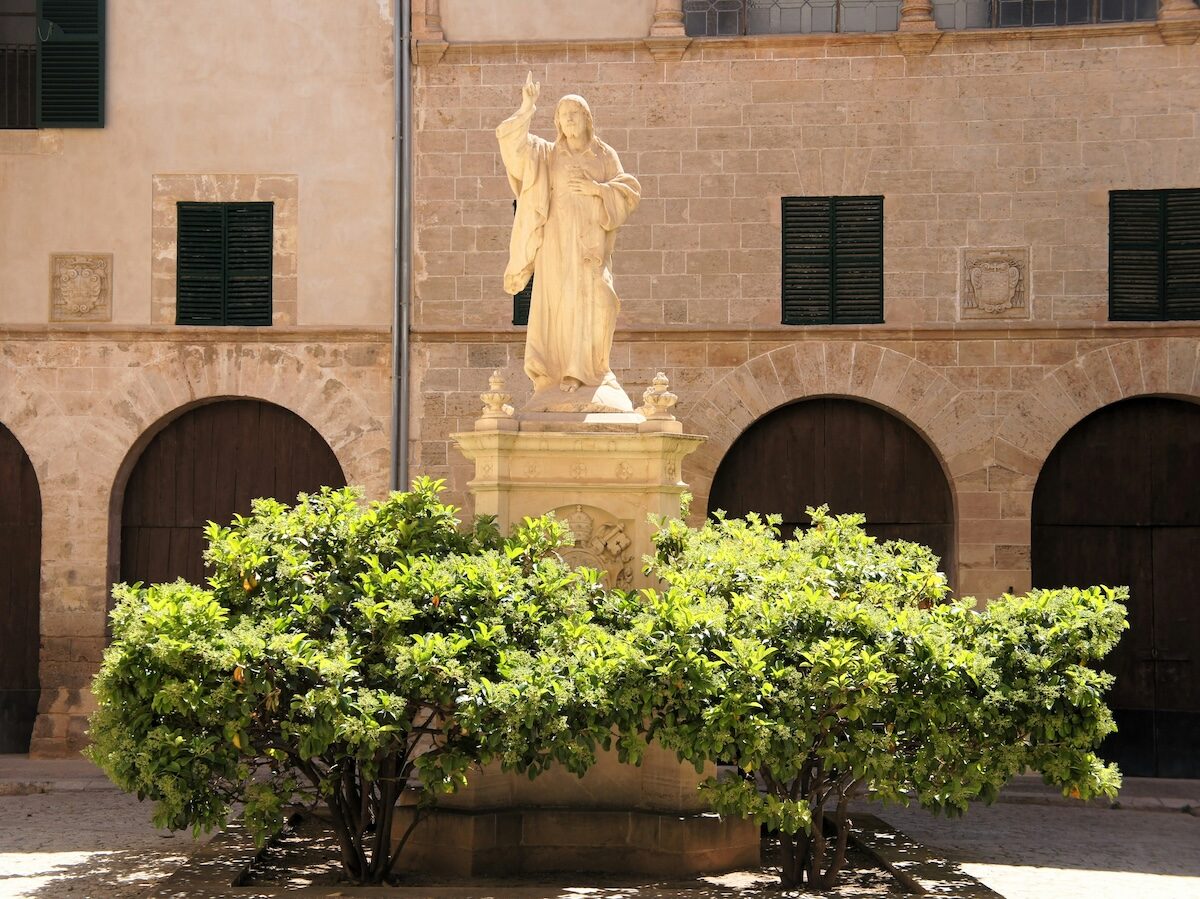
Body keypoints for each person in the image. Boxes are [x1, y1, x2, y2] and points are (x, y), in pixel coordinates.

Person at [497, 72, 641, 412]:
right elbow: (512, 147)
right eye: (563, 116)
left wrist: (597, 189)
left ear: (587, 119)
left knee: (596, 300)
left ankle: (589, 371)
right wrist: (527, 107)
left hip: (590, 245)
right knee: (560, 305)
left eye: (574, 114)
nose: (568, 121)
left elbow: (629, 191)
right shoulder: (547, 154)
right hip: (557, 244)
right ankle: (561, 373)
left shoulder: (604, 155)